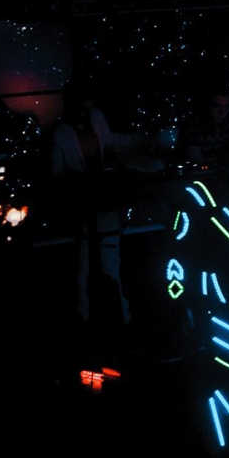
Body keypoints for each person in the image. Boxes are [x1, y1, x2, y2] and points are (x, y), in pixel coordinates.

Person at [49, 79, 150, 326]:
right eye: (81, 107)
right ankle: (84, 316)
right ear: (71, 105)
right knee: (82, 265)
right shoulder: (60, 135)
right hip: (81, 204)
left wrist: (141, 138)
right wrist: (74, 182)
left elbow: (111, 139)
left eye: (88, 106)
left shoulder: (95, 118)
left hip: (103, 199)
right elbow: (55, 176)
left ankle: (119, 316)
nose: (86, 112)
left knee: (109, 261)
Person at [179, 88, 229, 165]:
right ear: (208, 106)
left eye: (226, 107)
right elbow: (194, 160)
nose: (222, 112)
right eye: (217, 106)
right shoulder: (193, 127)